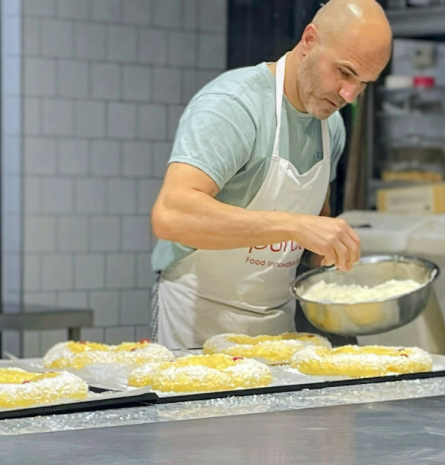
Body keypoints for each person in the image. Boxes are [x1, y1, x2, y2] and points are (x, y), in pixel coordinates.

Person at [149, 0, 392, 349]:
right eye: (344, 72)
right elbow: (172, 215)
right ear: (309, 40)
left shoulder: (330, 125)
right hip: (196, 326)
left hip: (276, 331)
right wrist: (294, 225)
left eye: (364, 83)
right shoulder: (235, 105)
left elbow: (313, 220)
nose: (349, 95)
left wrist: (325, 252)